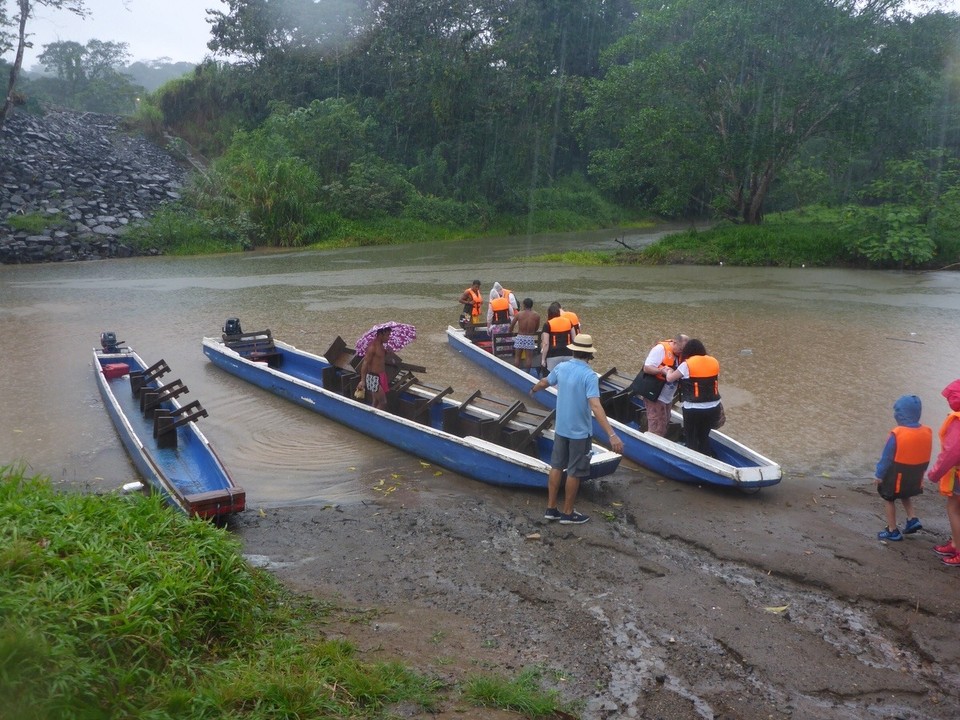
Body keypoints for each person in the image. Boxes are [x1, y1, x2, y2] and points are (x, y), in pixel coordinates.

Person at [529, 334, 624, 524]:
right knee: (574, 472)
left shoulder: (561, 368)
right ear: (589, 355)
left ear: (573, 350)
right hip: (579, 432)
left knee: (556, 467)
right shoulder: (589, 375)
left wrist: (533, 390)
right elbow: (596, 406)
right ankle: (568, 513)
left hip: (561, 428)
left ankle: (551, 508)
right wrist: (612, 435)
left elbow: (544, 382)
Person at [873, 395, 931, 542]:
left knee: (888, 497)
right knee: (905, 493)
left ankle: (892, 530)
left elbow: (886, 458)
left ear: (899, 415)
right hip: (915, 476)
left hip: (897, 475)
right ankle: (912, 518)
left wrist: (879, 475)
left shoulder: (897, 434)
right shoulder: (926, 432)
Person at [664, 338, 720, 456]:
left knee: (691, 437)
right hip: (713, 407)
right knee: (704, 436)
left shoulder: (687, 364)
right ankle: (707, 458)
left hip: (693, 408)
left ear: (687, 351)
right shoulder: (714, 361)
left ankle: (692, 459)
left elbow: (670, 378)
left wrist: (667, 370)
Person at [926, 379, 960, 566]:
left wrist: (934, 474)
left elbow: (952, 452)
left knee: (954, 508)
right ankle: (955, 541)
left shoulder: (958, 421)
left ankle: (958, 548)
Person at [634, 335, 688, 437]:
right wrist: (661, 370)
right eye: (680, 349)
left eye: (683, 351)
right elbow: (647, 368)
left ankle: (652, 435)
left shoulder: (681, 355)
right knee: (657, 427)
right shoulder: (660, 349)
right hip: (655, 394)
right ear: (675, 342)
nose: (681, 353)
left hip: (668, 397)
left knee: (665, 422)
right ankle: (650, 446)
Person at [358, 326, 394, 410]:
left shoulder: (382, 346)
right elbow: (365, 363)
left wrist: (388, 352)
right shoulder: (372, 347)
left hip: (382, 376)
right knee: (383, 402)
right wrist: (363, 380)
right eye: (387, 335)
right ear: (381, 334)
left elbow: (379, 360)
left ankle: (370, 417)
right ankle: (374, 420)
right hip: (373, 377)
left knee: (376, 401)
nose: (389, 338)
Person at [540, 301, 575, 373]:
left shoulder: (547, 324)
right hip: (568, 353)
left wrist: (543, 359)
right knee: (567, 374)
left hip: (553, 354)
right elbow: (574, 339)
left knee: (553, 376)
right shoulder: (569, 321)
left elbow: (546, 343)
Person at [510, 298, 541, 371]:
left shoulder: (519, 314)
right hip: (529, 337)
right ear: (531, 306)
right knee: (529, 358)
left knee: (517, 357)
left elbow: (512, 325)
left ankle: (516, 372)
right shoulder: (536, 315)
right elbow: (536, 327)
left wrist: (510, 331)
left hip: (520, 336)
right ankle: (527, 373)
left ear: (524, 305)